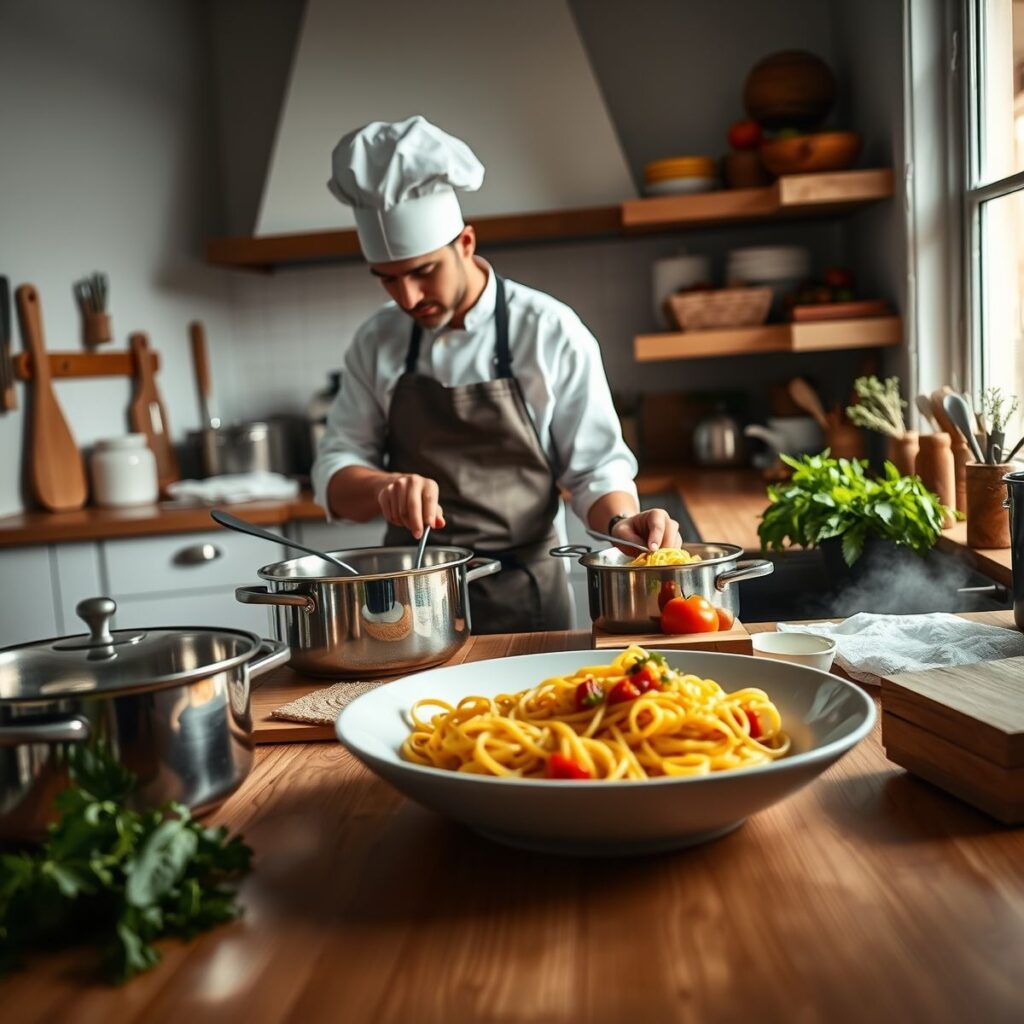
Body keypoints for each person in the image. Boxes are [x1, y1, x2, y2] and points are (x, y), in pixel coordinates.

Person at [312, 115, 682, 634]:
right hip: (411, 602)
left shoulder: (550, 331)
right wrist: (382, 487)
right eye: (389, 280)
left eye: (423, 272)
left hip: (526, 596)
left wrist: (623, 524)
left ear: (465, 242)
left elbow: (594, 472)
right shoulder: (378, 340)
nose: (408, 298)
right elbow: (335, 469)